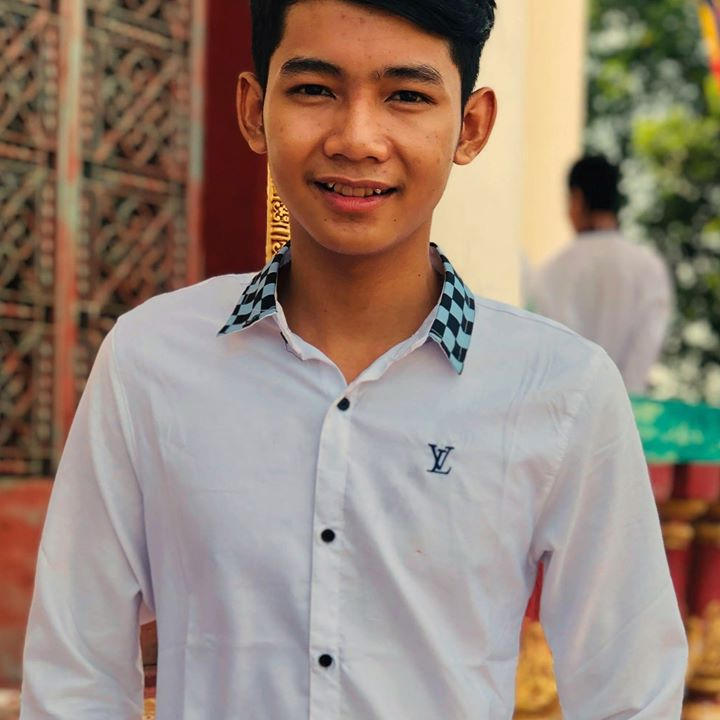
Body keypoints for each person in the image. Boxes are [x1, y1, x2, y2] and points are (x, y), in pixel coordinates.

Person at [21, 2, 687, 718]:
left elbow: (631, 693)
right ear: (253, 110)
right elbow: (74, 678)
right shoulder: (150, 362)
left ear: (470, 126)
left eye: (407, 96)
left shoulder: (561, 391)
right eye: (315, 89)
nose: (358, 139)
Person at [529, 155, 673, 394]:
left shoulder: (552, 273)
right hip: (629, 409)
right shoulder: (650, 269)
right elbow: (645, 351)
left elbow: (548, 358)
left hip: (565, 408)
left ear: (577, 199)